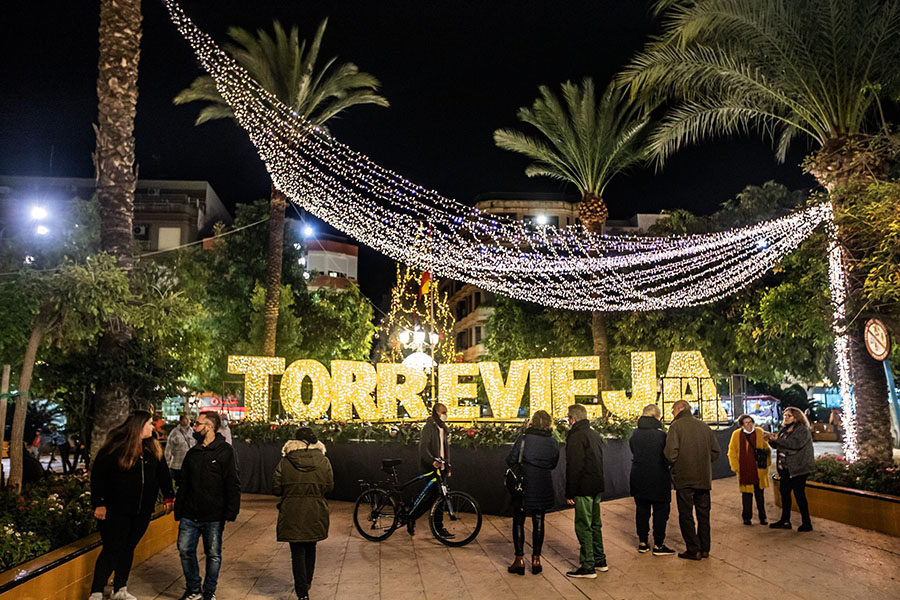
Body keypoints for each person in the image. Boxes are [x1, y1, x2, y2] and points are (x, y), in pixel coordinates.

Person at [89, 410, 175, 600]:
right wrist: (99, 503)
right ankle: (96, 590)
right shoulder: (114, 449)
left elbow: (163, 474)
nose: (153, 427)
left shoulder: (152, 449)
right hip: (116, 510)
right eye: (150, 423)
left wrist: (169, 496)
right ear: (139, 426)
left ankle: (120, 588)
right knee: (112, 548)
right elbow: (98, 478)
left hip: (142, 511)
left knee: (128, 548)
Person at [175, 410, 241, 600]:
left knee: (213, 554)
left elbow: (232, 482)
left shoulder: (225, 452)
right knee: (185, 550)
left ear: (209, 427)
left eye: (197, 424)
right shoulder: (193, 452)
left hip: (214, 515)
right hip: (190, 513)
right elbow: (184, 483)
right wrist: (179, 508)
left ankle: (209, 591)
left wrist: (231, 510)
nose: (194, 428)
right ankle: (194, 589)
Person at [273, 427, 334, 600]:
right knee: (311, 546)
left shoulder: (285, 462)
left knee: (296, 551)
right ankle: (307, 582)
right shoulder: (324, 461)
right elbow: (329, 487)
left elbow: (276, 488)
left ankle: (302, 592)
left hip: (292, 510)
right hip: (315, 509)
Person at [664, 399, 721, 561]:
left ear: (680, 408)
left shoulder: (676, 426)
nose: (672, 412)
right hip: (703, 478)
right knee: (703, 514)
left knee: (686, 514)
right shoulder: (703, 426)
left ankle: (693, 549)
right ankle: (704, 548)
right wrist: (703, 462)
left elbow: (670, 454)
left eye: (673, 409)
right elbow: (715, 451)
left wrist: (676, 465)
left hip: (684, 478)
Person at [505, 410, 559, 576]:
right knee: (539, 520)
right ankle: (536, 559)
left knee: (519, 520)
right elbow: (553, 463)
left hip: (524, 484)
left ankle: (519, 560)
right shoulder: (553, 442)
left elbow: (510, 460)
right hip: (542, 483)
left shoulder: (523, 439)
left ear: (532, 422)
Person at [564, 404, 606, 579]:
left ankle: (588, 565)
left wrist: (569, 492)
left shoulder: (576, 437)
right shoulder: (593, 434)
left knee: (583, 525)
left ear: (573, 419)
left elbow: (574, 467)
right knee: (595, 524)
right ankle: (600, 560)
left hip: (583, 488)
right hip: (596, 486)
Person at [629, 404, 675, 556]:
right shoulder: (662, 435)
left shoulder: (634, 434)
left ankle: (643, 542)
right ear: (657, 417)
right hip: (659, 477)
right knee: (661, 511)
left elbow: (633, 451)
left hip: (638, 476)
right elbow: (668, 455)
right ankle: (659, 544)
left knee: (642, 510)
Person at [764, 407, 815, 532]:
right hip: (785, 469)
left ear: (797, 417)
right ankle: (785, 520)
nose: (785, 417)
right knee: (785, 494)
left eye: (789, 416)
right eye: (785, 415)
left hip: (798, 468)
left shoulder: (802, 430)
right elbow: (779, 445)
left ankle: (806, 523)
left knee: (799, 495)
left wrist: (778, 440)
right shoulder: (784, 429)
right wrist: (771, 440)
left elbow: (795, 445)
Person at [409, 402, 453, 537]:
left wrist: (448, 466)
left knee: (440, 498)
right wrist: (432, 461)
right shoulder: (429, 427)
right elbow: (423, 447)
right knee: (436, 497)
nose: (445, 415)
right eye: (443, 412)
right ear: (436, 412)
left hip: (442, 468)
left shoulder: (443, 428)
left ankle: (431, 524)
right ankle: (435, 526)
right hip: (431, 468)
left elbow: (446, 450)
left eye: (446, 412)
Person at [728, 414, 770, 526]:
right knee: (746, 495)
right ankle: (746, 517)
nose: (749, 425)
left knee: (760, 495)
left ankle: (763, 517)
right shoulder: (736, 435)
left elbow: (766, 448)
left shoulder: (760, 432)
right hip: (745, 469)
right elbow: (732, 452)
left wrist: (766, 463)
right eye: (746, 423)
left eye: (750, 422)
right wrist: (736, 467)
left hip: (758, 469)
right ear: (741, 425)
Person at [165, 414, 196, 487]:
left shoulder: (193, 432)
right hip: (177, 465)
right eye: (186, 419)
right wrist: (167, 462)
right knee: (178, 485)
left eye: (189, 419)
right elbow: (169, 448)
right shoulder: (175, 432)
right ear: (181, 421)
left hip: (190, 465)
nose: (188, 421)